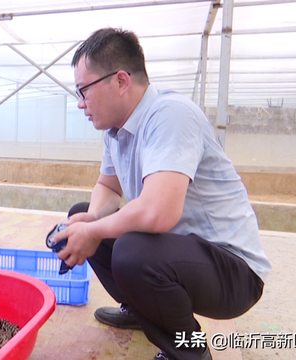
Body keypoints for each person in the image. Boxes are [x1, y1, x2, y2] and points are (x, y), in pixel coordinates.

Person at [51, 28, 271, 360]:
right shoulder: (116, 130)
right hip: (183, 252)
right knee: (84, 213)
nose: (80, 103)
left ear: (121, 81)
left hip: (233, 272)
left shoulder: (170, 115)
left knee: (131, 251)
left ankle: (190, 352)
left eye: (84, 91)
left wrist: (92, 230)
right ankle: (143, 311)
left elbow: (158, 213)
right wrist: (91, 220)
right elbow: (109, 187)